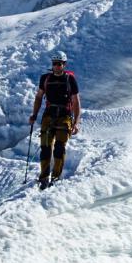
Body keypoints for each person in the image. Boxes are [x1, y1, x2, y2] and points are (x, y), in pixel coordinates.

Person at [28, 50, 80, 189]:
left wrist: (76, 123)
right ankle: (43, 177)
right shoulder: (45, 78)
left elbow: (76, 102)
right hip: (49, 116)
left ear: (64, 64)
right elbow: (39, 97)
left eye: (59, 64)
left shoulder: (70, 79)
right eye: (54, 63)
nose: (56, 66)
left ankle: (55, 176)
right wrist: (34, 114)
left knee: (59, 148)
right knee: (45, 147)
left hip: (64, 117)